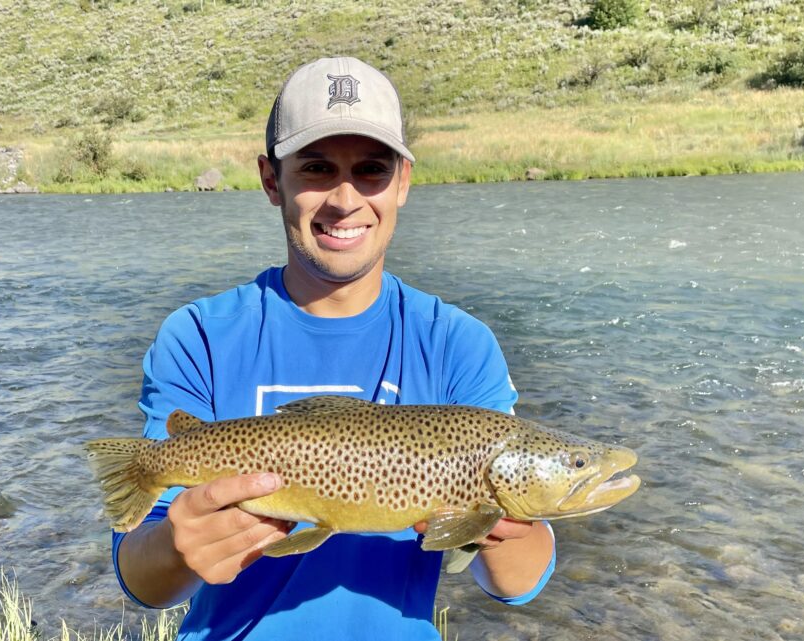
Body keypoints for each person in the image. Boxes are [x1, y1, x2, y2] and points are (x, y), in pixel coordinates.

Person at [111, 56, 556, 640]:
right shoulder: (199, 335)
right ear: (273, 181)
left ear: (403, 181)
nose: (345, 200)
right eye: (317, 168)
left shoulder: (456, 344)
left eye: (371, 170)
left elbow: (516, 585)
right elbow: (141, 581)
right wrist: (177, 545)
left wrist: (506, 527)